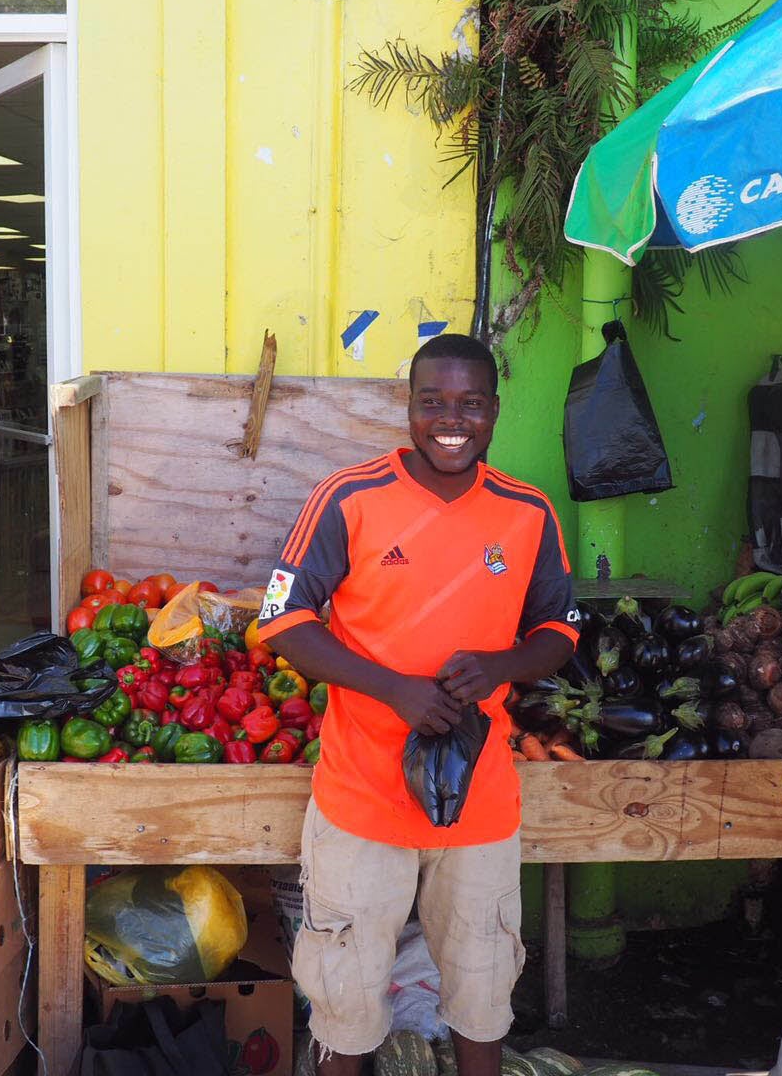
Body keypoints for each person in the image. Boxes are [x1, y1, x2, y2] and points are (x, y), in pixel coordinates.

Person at [256, 333, 579, 1076]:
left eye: (470, 404)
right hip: (361, 800)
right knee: (346, 992)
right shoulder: (349, 498)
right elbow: (284, 618)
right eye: (432, 402)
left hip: (480, 805)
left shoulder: (527, 512)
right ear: (409, 407)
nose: (451, 419)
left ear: (495, 411)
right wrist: (395, 689)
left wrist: (502, 663)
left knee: (482, 985)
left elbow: (561, 629)